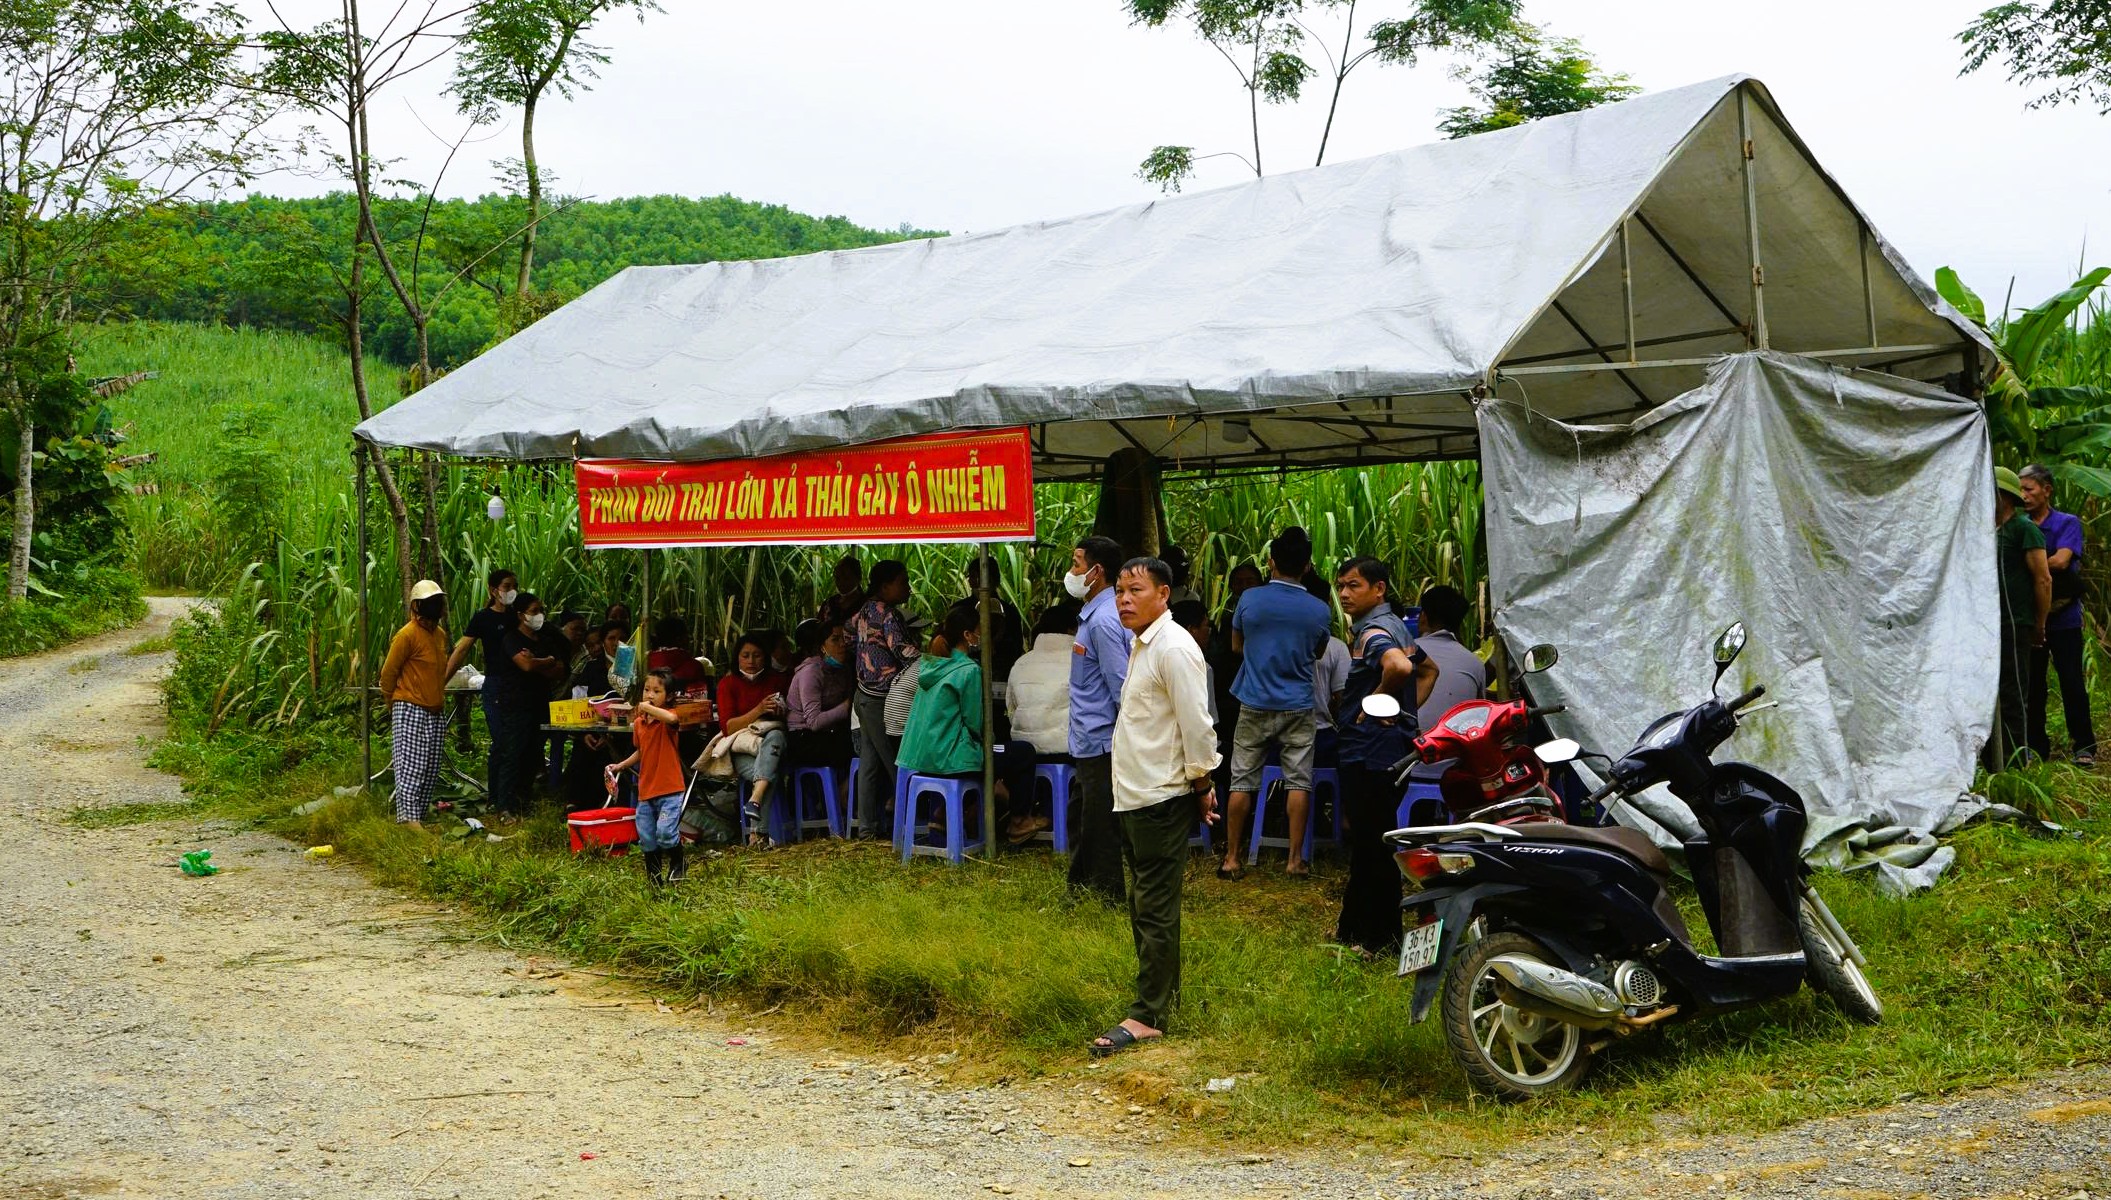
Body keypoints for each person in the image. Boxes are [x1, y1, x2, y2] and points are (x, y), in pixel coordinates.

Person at [1089, 557, 1220, 1057]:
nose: (1123, 599)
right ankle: (1165, 999)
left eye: (1135, 590)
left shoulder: (1173, 647)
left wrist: (1202, 780)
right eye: (1119, 590)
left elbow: (1197, 723)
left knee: (1154, 905)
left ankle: (1148, 1015)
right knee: (1145, 904)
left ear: (1163, 594)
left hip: (1160, 796)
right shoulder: (1143, 644)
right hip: (1136, 793)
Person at [1333, 557, 1439, 956]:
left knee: (1374, 845)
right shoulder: (1398, 625)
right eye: (1341, 585)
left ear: (1378, 589)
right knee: (1369, 842)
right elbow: (1428, 670)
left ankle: (1384, 939)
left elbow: (1397, 666)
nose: (1344, 593)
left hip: (1370, 752)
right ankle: (1354, 929)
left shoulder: (1374, 632)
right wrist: (1406, 715)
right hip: (1391, 747)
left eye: (1354, 585)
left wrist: (1375, 702)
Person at [1219, 528, 1330, 880]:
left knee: (1241, 781)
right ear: (1308, 566)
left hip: (1253, 700)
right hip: (1297, 703)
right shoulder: (1318, 609)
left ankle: (1232, 858)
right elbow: (1318, 653)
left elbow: (1236, 646)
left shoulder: (1250, 599)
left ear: (1270, 562)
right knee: (1299, 782)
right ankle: (1295, 860)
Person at [897, 605, 1038, 842]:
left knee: (993, 756)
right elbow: (975, 724)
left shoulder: (931, 665)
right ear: (967, 635)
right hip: (952, 757)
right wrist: (991, 740)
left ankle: (944, 814)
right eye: (980, 630)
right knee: (1022, 752)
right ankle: (1019, 820)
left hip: (923, 757)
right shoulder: (969, 670)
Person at [1065, 535, 1132, 902]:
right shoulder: (1095, 614)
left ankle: (1107, 894)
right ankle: (1081, 885)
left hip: (1101, 738)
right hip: (1088, 737)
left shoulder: (1104, 621)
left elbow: (1121, 686)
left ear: (1097, 572)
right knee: (1085, 814)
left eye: (1077, 565)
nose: (1071, 572)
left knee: (1100, 822)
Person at [2019, 464, 2096, 766]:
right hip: (2031, 617)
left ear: (2047, 490)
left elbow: (2062, 561)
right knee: (2033, 685)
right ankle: (2036, 747)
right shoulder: (2019, 523)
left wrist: (2029, 564)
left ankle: (2085, 746)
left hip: (2063, 619)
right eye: (2021, 490)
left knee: (2071, 681)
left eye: (2029, 489)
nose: (2024, 495)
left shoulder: (2067, 523)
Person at [853, 560, 920, 839]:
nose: (908, 588)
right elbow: (902, 651)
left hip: (862, 695)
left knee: (870, 763)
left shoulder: (865, 609)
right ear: (885, 586)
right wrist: (931, 660)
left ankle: (867, 827)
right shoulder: (889, 614)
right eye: (903, 582)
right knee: (895, 761)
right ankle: (907, 825)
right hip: (880, 698)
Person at [444, 567, 518, 806]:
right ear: (493, 590)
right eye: (507, 586)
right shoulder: (483, 618)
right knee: (501, 741)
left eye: (514, 586)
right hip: (496, 685)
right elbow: (462, 648)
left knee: (516, 741)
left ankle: (510, 795)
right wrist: (442, 680)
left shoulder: (518, 616)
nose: (511, 591)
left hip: (518, 685)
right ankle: (497, 797)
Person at [1994, 466, 2052, 767]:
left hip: (2014, 623)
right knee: (1992, 695)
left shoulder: (2023, 529)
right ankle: (1993, 759)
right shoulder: (1987, 531)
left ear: (2003, 496)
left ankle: (2016, 763)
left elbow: (2043, 580)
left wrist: (2038, 623)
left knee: (2013, 694)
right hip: (1988, 627)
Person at [379, 580, 450, 826]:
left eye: (438, 602)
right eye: (431, 602)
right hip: (410, 706)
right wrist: (393, 702)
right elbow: (388, 674)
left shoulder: (439, 635)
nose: (437, 607)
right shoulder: (407, 635)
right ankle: (408, 820)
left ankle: (418, 817)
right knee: (411, 767)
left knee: (430, 767)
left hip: (434, 709)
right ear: (418, 606)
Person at [607, 669, 687, 885]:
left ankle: (679, 863)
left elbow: (671, 718)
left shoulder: (668, 719)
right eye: (646, 690)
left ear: (668, 696)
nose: (650, 695)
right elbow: (641, 750)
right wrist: (621, 765)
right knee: (647, 838)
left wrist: (648, 708)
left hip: (670, 788)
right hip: (646, 790)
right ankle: (654, 879)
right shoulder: (640, 723)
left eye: (657, 691)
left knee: (665, 832)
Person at [487, 592, 563, 816]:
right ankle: (504, 805)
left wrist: (541, 661)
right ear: (520, 615)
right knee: (512, 753)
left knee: (533, 753)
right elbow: (525, 666)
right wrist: (546, 661)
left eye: (541, 610)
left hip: (539, 703)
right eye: (533, 611)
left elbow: (559, 669)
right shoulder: (512, 639)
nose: (539, 615)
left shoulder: (546, 639)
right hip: (515, 704)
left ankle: (523, 800)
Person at [718, 632, 792, 847]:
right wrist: (758, 710)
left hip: (773, 745)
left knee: (776, 734)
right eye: (746, 656)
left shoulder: (776, 681)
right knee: (770, 775)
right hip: (743, 748)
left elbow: (790, 716)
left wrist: (779, 711)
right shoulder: (728, 684)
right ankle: (756, 832)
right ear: (737, 658)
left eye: (757, 656)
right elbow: (728, 727)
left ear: (766, 658)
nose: (751, 661)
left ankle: (755, 810)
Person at [1006, 604, 1077, 758]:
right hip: (1066, 747)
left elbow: (1011, 709)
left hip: (1023, 749)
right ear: (1072, 629)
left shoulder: (1021, 663)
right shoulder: (1080, 661)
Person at [1413, 585, 1487, 729]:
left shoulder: (1405, 652)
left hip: (1409, 744)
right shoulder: (1474, 663)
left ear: (1423, 616)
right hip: (1456, 744)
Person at [787, 619, 855, 770]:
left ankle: (845, 790)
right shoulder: (811, 672)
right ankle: (843, 792)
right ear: (822, 647)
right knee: (854, 748)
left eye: (845, 638)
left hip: (829, 733)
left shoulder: (844, 669)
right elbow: (814, 722)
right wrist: (847, 706)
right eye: (835, 639)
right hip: (803, 737)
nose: (843, 644)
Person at [962, 555, 1026, 684]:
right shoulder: (961, 611)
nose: (975, 582)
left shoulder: (1010, 613)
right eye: (972, 577)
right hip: (967, 678)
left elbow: (1016, 649)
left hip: (1003, 678)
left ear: (994, 580)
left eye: (980, 577)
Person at [647, 615, 709, 696]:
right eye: (687, 635)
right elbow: (701, 700)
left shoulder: (644, 663)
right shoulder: (694, 667)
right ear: (679, 639)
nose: (689, 639)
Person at [817, 554, 866, 627]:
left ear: (858, 578)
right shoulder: (829, 604)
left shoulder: (866, 605)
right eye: (837, 578)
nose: (841, 582)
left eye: (846, 578)